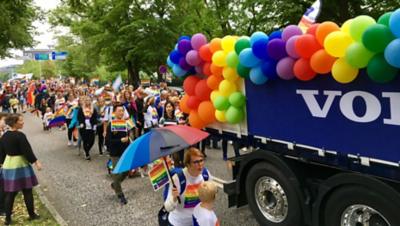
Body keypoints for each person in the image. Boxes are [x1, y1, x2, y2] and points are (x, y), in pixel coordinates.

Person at [0, 114, 42, 225]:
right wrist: (36, 162)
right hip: (20, 165)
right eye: (21, 120)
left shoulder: (4, 136)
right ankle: (32, 215)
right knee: (27, 191)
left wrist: (2, 164)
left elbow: (2, 153)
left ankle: (8, 219)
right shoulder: (20, 136)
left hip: (8, 165)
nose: (23, 122)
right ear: (14, 123)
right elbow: (27, 151)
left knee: (10, 193)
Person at [164, 148, 211, 226]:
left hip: (197, 221)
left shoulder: (205, 174)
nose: (200, 164)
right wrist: (174, 199)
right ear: (188, 164)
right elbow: (167, 208)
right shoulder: (177, 179)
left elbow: (211, 193)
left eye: (201, 160)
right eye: (196, 162)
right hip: (179, 223)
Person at [105, 104, 131, 205]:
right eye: (119, 111)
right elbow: (108, 141)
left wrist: (128, 140)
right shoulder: (111, 125)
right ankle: (120, 194)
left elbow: (128, 136)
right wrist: (120, 140)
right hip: (115, 153)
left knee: (126, 171)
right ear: (114, 112)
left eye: (122, 111)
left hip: (124, 151)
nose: (121, 113)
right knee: (116, 173)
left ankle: (115, 184)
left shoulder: (125, 123)